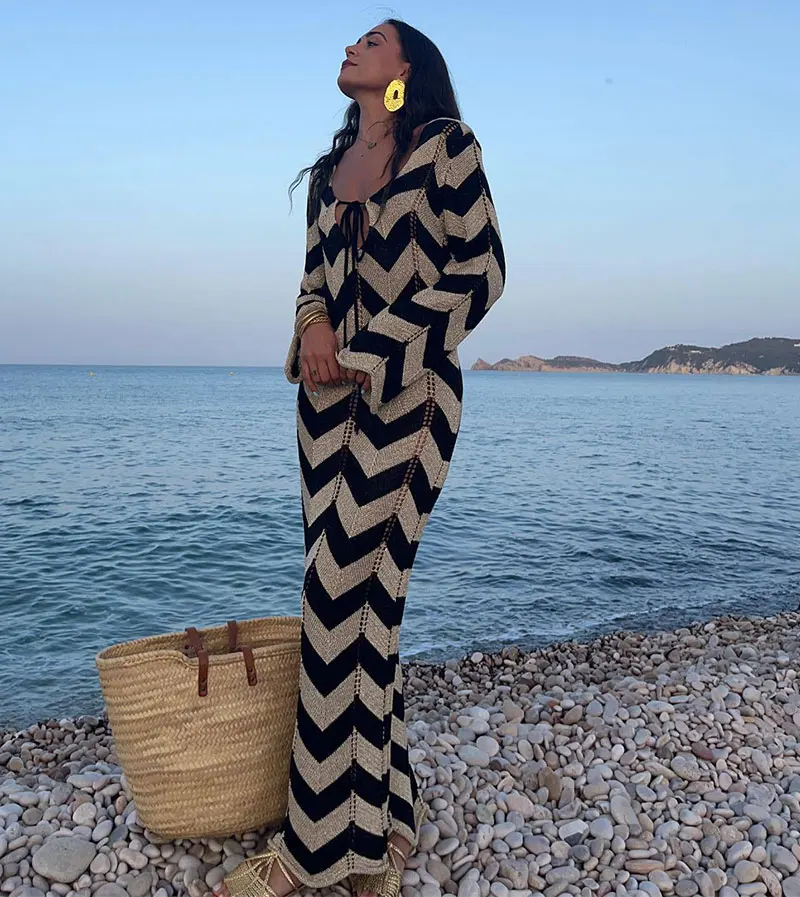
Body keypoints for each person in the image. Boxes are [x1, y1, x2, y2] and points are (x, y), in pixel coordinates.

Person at [217, 17, 505, 897]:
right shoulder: (328, 172)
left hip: (408, 404)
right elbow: (313, 280)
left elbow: (482, 270)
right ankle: (388, 823)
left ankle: (308, 854)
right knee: (363, 609)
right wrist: (311, 324)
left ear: (406, 66)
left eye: (373, 39)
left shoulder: (446, 148)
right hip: (322, 415)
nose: (352, 44)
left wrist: (372, 348)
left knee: (335, 598)